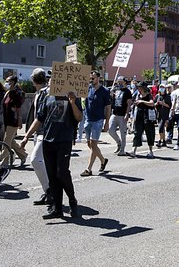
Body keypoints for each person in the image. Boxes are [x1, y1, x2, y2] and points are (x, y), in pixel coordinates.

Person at [36, 87, 83, 219]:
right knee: (52, 175)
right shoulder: (47, 97)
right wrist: (26, 136)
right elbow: (40, 118)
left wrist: (73, 103)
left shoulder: (73, 96)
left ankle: (73, 201)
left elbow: (79, 117)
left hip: (64, 139)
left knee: (62, 172)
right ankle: (57, 208)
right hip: (48, 140)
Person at [20, 68, 51, 206]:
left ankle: (49, 191)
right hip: (39, 132)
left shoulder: (45, 93)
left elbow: (39, 117)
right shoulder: (39, 93)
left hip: (44, 132)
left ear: (33, 80)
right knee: (44, 163)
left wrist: (26, 136)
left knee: (36, 160)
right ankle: (48, 192)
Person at [80, 71, 111, 177]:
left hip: (98, 121)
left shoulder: (105, 91)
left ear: (98, 78)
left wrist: (107, 122)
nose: (91, 80)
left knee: (93, 144)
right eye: (90, 78)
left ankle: (88, 169)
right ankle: (103, 160)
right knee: (89, 144)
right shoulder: (88, 88)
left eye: (93, 78)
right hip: (88, 119)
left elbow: (108, 107)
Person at [0, 75, 27, 167]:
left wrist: (19, 120)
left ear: (14, 82)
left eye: (9, 81)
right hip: (6, 120)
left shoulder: (16, 93)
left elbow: (18, 108)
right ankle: (23, 155)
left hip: (13, 120)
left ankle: (4, 161)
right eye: (6, 81)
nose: (7, 83)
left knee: (6, 141)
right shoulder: (7, 92)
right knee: (11, 141)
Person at [131, 82, 156, 158]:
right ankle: (133, 150)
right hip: (139, 115)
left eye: (140, 87)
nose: (139, 89)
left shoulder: (149, 95)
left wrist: (142, 101)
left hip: (147, 116)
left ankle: (151, 151)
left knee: (149, 133)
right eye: (138, 87)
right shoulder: (138, 95)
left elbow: (152, 103)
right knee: (137, 132)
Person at [109, 76, 132, 156]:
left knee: (123, 133)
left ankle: (122, 150)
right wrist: (112, 94)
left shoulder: (127, 92)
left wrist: (127, 114)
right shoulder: (116, 90)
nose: (119, 83)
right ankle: (118, 142)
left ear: (125, 82)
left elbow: (129, 104)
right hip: (115, 113)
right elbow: (113, 100)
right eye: (118, 82)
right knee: (111, 130)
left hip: (122, 115)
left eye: (121, 82)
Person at [155, 83, 172, 148]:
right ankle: (164, 141)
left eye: (163, 87)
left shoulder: (168, 97)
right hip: (159, 114)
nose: (161, 89)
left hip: (165, 114)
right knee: (162, 128)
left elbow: (169, 106)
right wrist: (156, 103)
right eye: (160, 87)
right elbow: (154, 103)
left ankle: (160, 140)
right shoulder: (157, 96)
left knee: (161, 128)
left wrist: (163, 103)